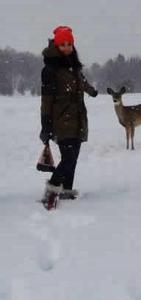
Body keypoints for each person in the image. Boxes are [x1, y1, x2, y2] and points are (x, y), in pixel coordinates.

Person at [40, 26, 98, 206]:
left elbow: (82, 81)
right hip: (61, 119)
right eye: (62, 44)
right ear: (56, 46)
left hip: (78, 118)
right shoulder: (50, 69)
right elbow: (46, 99)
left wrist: (92, 91)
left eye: (69, 44)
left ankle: (67, 191)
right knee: (69, 158)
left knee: (73, 158)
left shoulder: (74, 66)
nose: (66, 47)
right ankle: (52, 189)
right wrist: (46, 125)